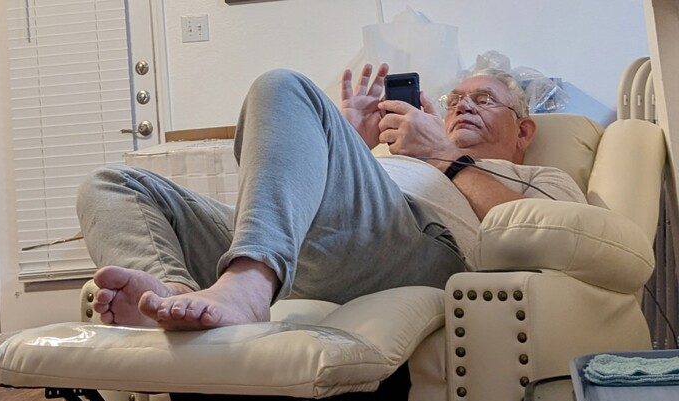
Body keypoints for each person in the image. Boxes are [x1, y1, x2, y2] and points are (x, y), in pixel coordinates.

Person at [76, 64, 586, 330]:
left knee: (281, 84)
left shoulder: (540, 177)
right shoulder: (400, 151)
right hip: (314, 247)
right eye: (454, 100)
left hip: (416, 250)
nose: (463, 107)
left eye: (484, 99)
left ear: (523, 130)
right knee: (112, 183)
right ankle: (165, 297)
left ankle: (249, 285)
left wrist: (444, 156)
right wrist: (345, 140)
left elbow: (553, 239)